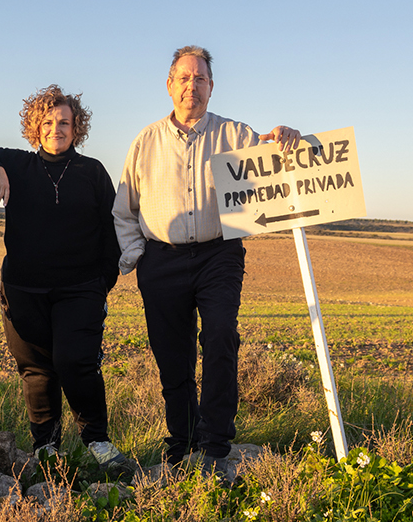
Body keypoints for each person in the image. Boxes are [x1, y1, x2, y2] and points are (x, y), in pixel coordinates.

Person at [113, 46, 298, 477]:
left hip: (219, 254)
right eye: (183, 78)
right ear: (169, 85)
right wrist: (140, 256)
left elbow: (276, 162)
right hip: (162, 260)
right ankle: (182, 441)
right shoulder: (146, 141)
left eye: (200, 79)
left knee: (219, 336)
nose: (191, 86)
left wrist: (286, 136)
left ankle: (216, 442)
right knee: (172, 356)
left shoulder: (236, 135)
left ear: (211, 87)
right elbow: (125, 209)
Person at [0, 85, 125, 468]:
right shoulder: (18, 164)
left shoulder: (92, 171)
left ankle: (97, 440)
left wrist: (103, 280)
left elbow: (111, 228)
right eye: (48, 122)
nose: (57, 129)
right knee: (36, 370)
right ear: (35, 127)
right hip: (23, 289)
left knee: (75, 361)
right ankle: (46, 447)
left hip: (80, 287)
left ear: (76, 127)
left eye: (65, 122)